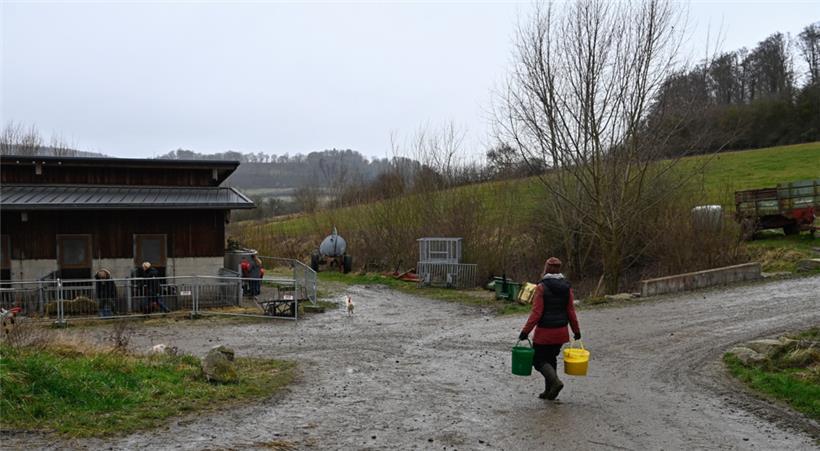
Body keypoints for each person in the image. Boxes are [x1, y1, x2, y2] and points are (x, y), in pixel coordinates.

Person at [518, 257, 581, 401]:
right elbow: (571, 311)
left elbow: (536, 313)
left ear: (546, 268)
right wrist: (576, 331)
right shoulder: (567, 287)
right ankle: (549, 391)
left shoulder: (541, 287)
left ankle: (556, 383)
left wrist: (525, 331)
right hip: (561, 332)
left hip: (545, 333)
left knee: (538, 360)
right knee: (551, 359)